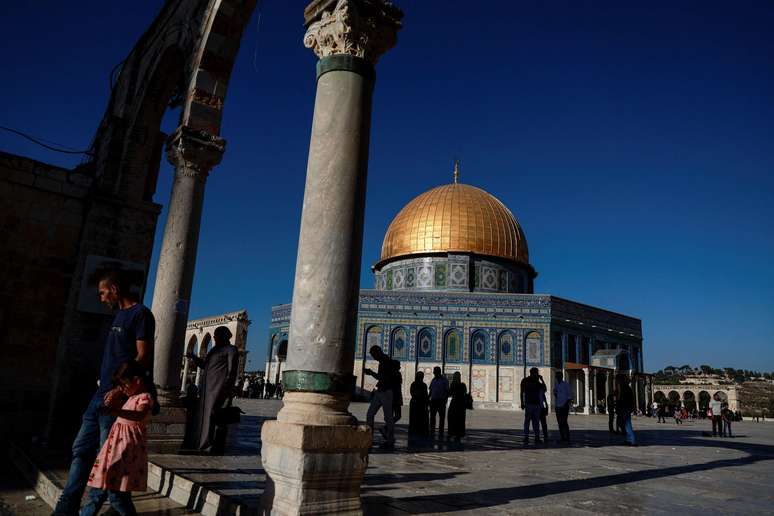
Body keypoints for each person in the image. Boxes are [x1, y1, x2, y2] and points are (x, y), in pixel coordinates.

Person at [53, 270, 155, 516]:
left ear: (115, 289)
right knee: (81, 450)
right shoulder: (118, 315)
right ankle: (66, 508)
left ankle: (86, 512)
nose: (101, 298)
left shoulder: (140, 314)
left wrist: (121, 392)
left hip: (116, 397)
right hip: (99, 395)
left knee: (106, 460)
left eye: (102, 292)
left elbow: (143, 356)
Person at [80, 361, 156, 515]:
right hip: (115, 450)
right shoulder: (130, 396)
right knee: (106, 488)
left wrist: (115, 412)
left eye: (124, 385)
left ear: (137, 381)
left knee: (116, 496)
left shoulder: (144, 398)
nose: (122, 389)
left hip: (125, 454)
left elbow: (139, 415)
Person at [184, 326, 238, 453]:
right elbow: (205, 366)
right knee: (205, 417)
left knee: (218, 418)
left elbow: (232, 372)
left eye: (217, 335)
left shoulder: (231, 350)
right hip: (207, 391)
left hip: (218, 390)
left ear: (225, 336)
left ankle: (213, 446)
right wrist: (194, 357)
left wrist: (225, 390)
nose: (214, 337)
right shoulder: (214, 350)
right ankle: (201, 444)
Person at [365, 345, 399, 448]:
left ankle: (390, 439)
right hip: (381, 391)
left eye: (374, 355)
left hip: (386, 392)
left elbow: (383, 378)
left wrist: (371, 373)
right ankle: (369, 437)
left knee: (388, 416)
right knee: (370, 414)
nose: (374, 358)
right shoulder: (383, 361)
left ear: (377, 353)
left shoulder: (386, 362)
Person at [521, 368, 543, 445]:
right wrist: (522, 403)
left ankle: (536, 437)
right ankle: (526, 436)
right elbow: (522, 392)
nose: (537, 374)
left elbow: (544, 389)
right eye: (536, 373)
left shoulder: (537, 382)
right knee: (528, 421)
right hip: (529, 404)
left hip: (536, 404)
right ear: (532, 373)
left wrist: (541, 380)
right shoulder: (525, 380)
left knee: (535, 422)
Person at [447, 372, 468, 444]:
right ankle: (458, 434)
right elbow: (465, 393)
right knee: (460, 420)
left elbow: (449, 393)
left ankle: (451, 433)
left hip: (455, 404)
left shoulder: (453, 384)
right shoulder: (463, 385)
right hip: (461, 405)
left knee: (452, 418)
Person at [429, 366, 449, 440]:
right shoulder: (433, 380)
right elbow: (431, 390)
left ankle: (441, 431)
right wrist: (429, 399)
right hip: (433, 401)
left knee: (441, 417)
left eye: (435, 371)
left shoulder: (444, 380)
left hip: (441, 401)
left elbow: (447, 391)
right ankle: (432, 430)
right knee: (432, 416)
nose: (434, 372)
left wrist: (445, 400)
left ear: (438, 371)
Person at [408, 371, 429, 442]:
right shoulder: (420, 385)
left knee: (418, 417)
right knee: (416, 417)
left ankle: (417, 430)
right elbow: (413, 393)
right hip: (417, 403)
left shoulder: (419, 384)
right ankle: (417, 430)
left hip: (418, 403)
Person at [553, 371, 572, 444]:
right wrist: (554, 393)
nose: (557, 377)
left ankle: (567, 437)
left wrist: (565, 404)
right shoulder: (556, 385)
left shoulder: (566, 385)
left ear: (561, 376)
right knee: (559, 422)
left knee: (564, 422)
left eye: (558, 376)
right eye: (556, 376)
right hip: (558, 406)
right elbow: (556, 395)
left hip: (564, 406)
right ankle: (562, 437)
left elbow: (569, 396)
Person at [617, 374, 636, 446]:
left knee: (627, 424)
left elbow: (621, 399)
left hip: (625, 408)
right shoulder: (626, 388)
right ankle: (628, 439)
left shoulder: (624, 388)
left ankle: (632, 440)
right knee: (624, 424)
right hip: (625, 408)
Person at [538, 376, 549, 443]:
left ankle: (545, 435)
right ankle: (537, 436)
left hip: (541, 408)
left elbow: (545, 389)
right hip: (536, 408)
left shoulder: (541, 389)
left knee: (543, 423)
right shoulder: (534, 387)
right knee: (537, 423)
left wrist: (542, 380)